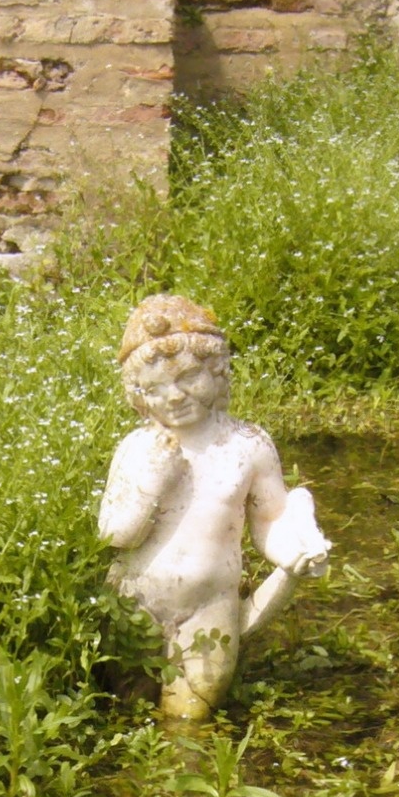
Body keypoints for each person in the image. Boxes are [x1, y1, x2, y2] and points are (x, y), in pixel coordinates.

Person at [98, 294, 330, 720]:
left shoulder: (248, 445)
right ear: (138, 394)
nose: (174, 396)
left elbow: (270, 519)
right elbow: (114, 535)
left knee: (191, 719)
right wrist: (152, 484)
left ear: (217, 370)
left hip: (208, 610)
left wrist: (293, 551)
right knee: (127, 709)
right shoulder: (137, 449)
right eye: (154, 388)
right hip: (134, 603)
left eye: (188, 377)